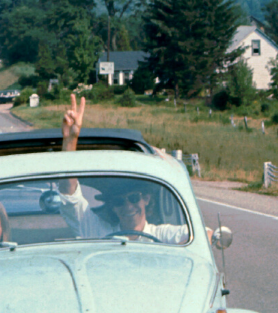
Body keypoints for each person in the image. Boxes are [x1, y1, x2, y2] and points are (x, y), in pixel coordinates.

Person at [56, 93, 192, 244]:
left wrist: (171, 254)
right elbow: (70, 196)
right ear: (113, 207)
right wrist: (70, 140)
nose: (127, 206)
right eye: (118, 202)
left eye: (133, 198)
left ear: (146, 199)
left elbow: (205, 235)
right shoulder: (99, 232)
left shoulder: (163, 235)